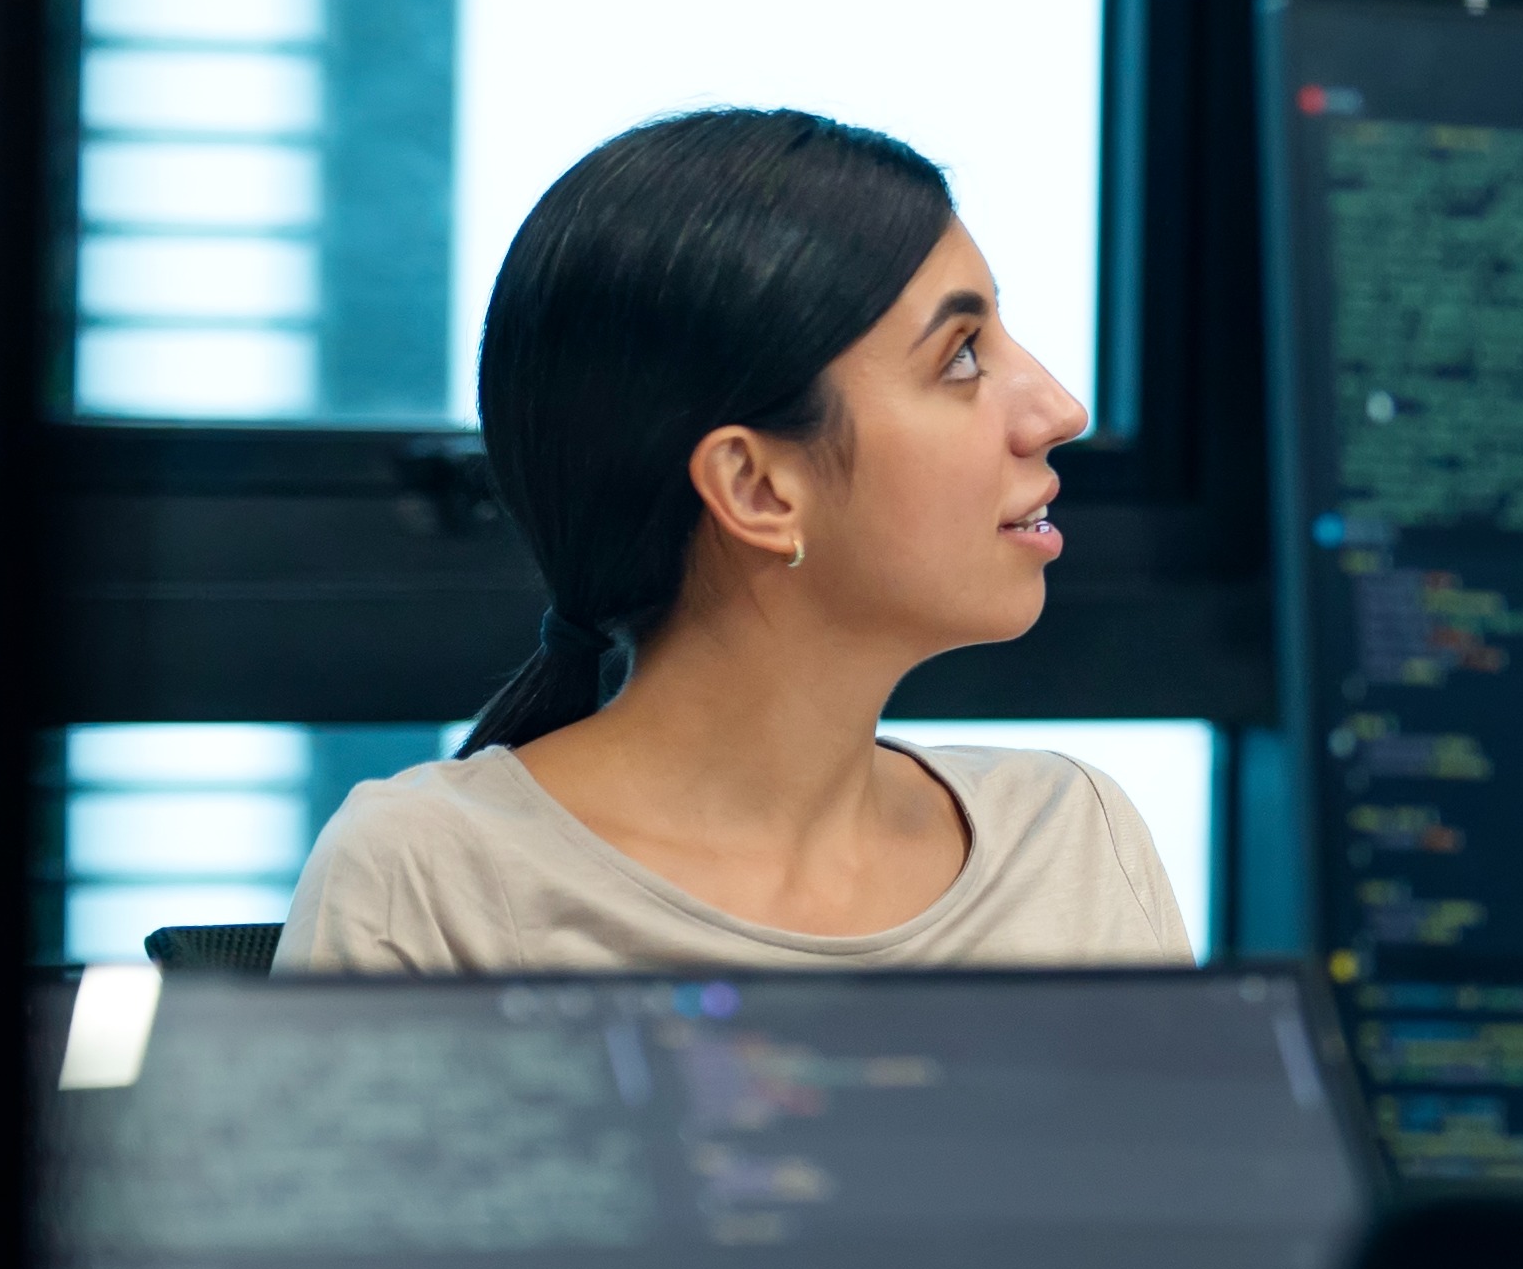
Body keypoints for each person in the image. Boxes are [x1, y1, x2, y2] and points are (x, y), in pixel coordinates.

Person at [278, 108, 1189, 972]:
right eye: (960, 356)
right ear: (756, 489)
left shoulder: (1074, 836)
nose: (1059, 411)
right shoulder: (432, 877)